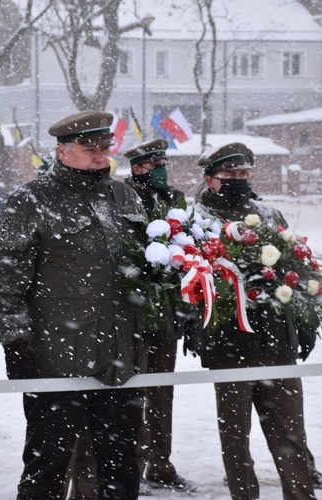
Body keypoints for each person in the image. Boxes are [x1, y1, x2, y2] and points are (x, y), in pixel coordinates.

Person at [0, 110, 147, 499]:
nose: (100, 155)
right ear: (62, 150)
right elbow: (3, 279)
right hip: (56, 359)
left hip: (120, 360)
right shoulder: (32, 200)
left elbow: (147, 270)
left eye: (104, 147)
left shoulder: (124, 195)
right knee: (46, 470)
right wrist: (16, 340)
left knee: (121, 471)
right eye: (89, 148)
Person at [193, 142, 317, 500]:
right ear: (211, 178)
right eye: (230, 174)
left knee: (290, 432)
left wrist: (303, 320)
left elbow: (296, 266)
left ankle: (301, 495)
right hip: (228, 344)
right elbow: (188, 279)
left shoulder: (269, 214)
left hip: (277, 341)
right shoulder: (196, 221)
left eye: (244, 174)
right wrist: (193, 321)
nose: (238, 180)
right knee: (235, 437)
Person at [123, 138, 197, 492]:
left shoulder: (174, 200)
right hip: (130, 315)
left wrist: (186, 306)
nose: (161, 171)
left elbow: (188, 250)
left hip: (166, 314)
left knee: (162, 393)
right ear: (137, 168)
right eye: (154, 165)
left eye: (163, 163)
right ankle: (131, 465)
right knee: (132, 394)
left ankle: (160, 463)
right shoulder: (119, 197)